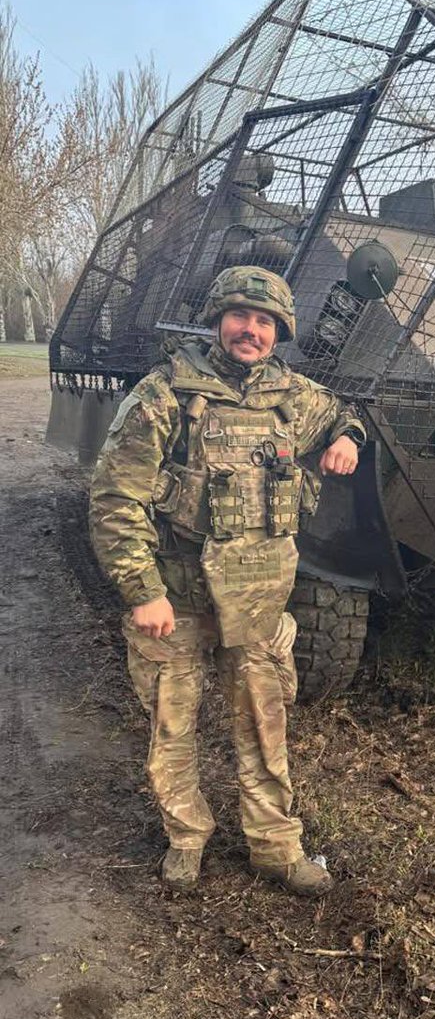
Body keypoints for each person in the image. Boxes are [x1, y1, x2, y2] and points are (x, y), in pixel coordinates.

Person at [89, 266, 367, 896]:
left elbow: (347, 412)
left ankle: (275, 845)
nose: (252, 330)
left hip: (259, 603)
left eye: (265, 321)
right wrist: (143, 591)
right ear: (217, 320)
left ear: (280, 332)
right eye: (241, 316)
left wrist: (347, 437)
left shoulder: (293, 396)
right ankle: (186, 837)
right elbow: (114, 499)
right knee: (172, 727)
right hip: (178, 601)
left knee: (266, 728)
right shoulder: (164, 395)